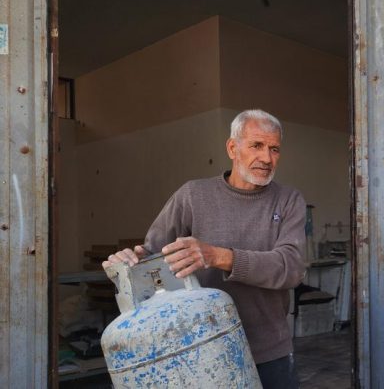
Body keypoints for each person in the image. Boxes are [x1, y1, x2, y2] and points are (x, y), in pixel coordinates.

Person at [103, 108, 306, 389]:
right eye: (256, 145)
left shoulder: (288, 200)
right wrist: (129, 262)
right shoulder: (192, 195)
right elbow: (152, 256)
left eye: (274, 149)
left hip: (270, 350)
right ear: (232, 148)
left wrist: (218, 256)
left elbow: (291, 267)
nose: (267, 158)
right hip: (201, 345)